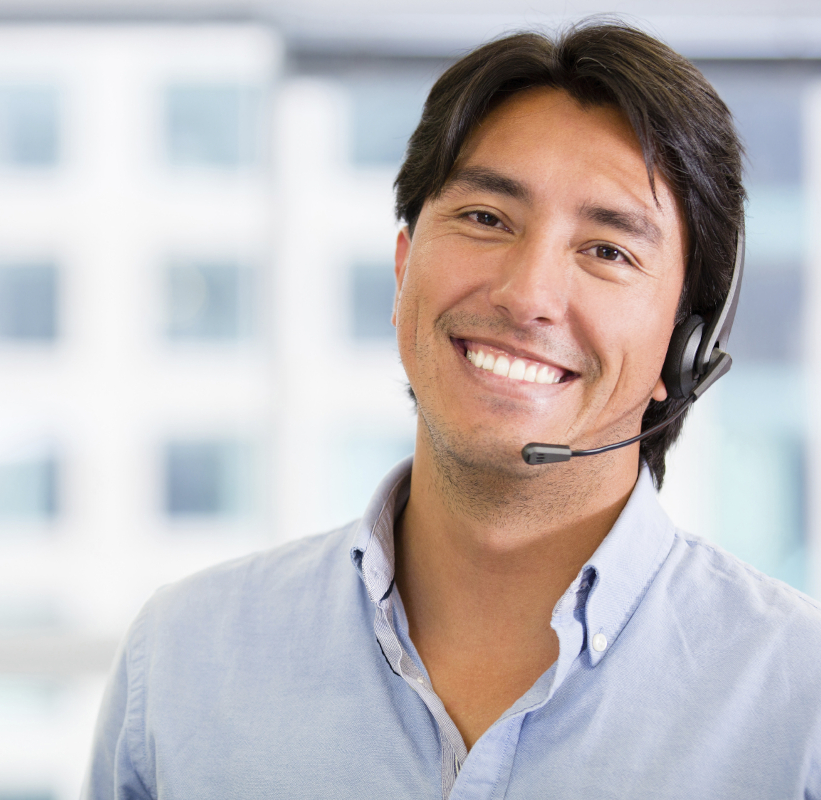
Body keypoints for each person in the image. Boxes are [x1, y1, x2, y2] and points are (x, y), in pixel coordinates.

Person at [82, 21, 821, 799]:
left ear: (684, 345)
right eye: (485, 219)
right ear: (404, 269)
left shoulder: (799, 707)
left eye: (608, 250)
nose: (527, 294)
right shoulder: (180, 663)